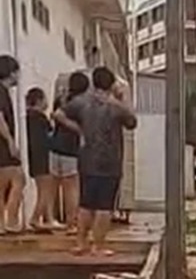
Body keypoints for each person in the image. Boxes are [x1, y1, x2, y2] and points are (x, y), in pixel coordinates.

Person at [56, 67, 136, 256]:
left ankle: (81, 243)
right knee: (104, 206)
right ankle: (97, 246)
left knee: (86, 204)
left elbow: (58, 114)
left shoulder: (82, 102)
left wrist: (79, 130)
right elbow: (132, 122)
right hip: (110, 162)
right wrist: (124, 97)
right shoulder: (116, 106)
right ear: (112, 84)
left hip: (87, 159)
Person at [50, 71, 89, 232]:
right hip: (70, 149)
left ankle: (49, 218)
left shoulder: (60, 99)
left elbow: (54, 116)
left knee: (52, 187)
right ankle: (71, 223)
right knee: (71, 188)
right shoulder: (81, 104)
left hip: (55, 147)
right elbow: (59, 117)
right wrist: (80, 131)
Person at [26, 87, 62, 231]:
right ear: (40, 101)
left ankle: (49, 218)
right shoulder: (40, 118)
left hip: (33, 156)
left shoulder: (27, 117)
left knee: (43, 188)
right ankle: (35, 217)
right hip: (43, 156)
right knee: (46, 189)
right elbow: (49, 136)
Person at [0, 54, 25, 234]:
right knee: (18, 179)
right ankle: (11, 220)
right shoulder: (1, 91)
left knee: (3, 184)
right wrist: (10, 141)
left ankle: (2, 223)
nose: (18, 76)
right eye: (16, 72)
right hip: (2, 143)